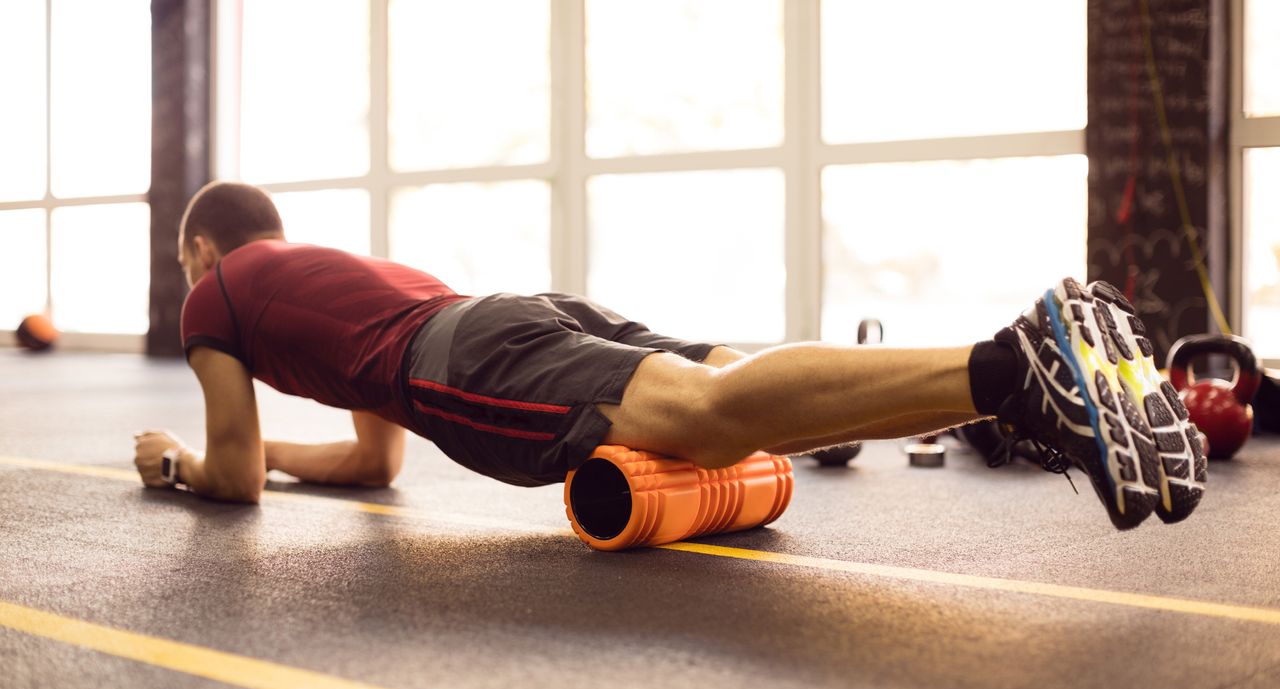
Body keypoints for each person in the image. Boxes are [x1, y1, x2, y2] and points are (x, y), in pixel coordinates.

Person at [133, 181, 1205, 531]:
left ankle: (1012, 368)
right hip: (500, 310)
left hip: (456, 363)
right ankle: (1026, 391)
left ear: (201, 249)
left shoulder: (214, 297)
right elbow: (375, 465)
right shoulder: (329, 273)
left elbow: (229, 477)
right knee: (734, 389)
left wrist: (184, 465)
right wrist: (281, 461)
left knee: (701, 415)